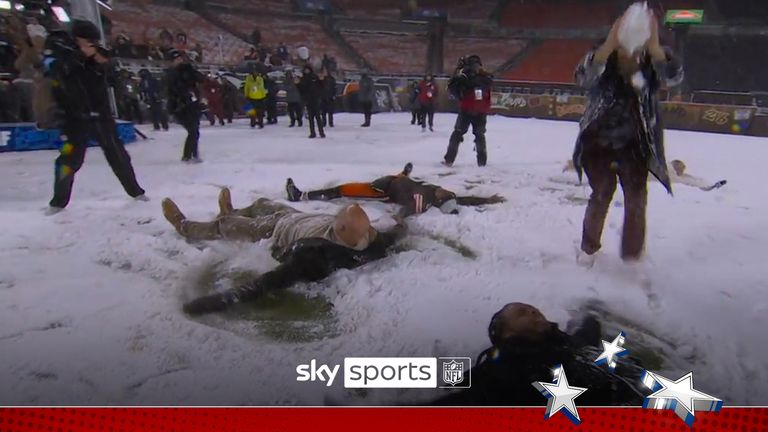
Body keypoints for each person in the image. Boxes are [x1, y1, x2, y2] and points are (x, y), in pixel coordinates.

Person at [160, 189, 407, 315]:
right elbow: (396, 231)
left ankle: (186, 227)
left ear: (342, 227)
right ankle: (233, 210)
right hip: (294, 218)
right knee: (262, 204)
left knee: (225, 227)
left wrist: (221, 300)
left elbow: (267, 283)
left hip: (274, 231)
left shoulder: (314, 255)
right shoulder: (370, 237)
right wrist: (402, 216)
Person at [572, 8, 683, 266]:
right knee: (601, 193)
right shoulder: (602, 58)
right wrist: (611, 44)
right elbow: (582, 77)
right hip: (598, 143)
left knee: (636, 198)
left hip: (635, 145)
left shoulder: (653, 62)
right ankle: (588, 250)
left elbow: (674, 76)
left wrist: (654, 46)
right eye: (624, 49)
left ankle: (632, 258)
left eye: (635, 51)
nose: (629, 55)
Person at [432, 303, 646, 406]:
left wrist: (588, 313)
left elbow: (585, 330)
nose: (533, 311)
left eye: (533, 309)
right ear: (506, 333)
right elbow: (461, 396)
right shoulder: (506, 369)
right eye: (521, 313)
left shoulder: (568, 344)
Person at [44, 20, 147, 213]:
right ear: (76, 38)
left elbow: (113, 76)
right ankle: (58, 202)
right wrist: (79, 56)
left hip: (100, 113)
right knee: (70, 159)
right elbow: (55, 71)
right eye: (88, 40)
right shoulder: (58, 47)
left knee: (118, 155)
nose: (91, 44)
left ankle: (136, 192)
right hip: (73, 116)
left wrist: (103, 63)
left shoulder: (97, 52)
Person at [286, 162, 505, 218]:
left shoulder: (424, 199)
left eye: (445, 195)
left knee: (343, 189)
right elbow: (466, 199)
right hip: (396, 179)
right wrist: (489, 199)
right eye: (448, 193)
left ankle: (300, 196)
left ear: (440, 201)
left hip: (382, 189)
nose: (446, 191)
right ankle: (404, 173)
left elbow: (410, 209)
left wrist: (400, 218)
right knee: (404, 178)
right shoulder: (440, 192)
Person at [443, 55, 493, 167]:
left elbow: (452, 87)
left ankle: (450, 160)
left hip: (470, 110)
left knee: (459, 134)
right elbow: (453, 88)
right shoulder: (480, 77)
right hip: (476, 110)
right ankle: (481, 162)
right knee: (477, 135)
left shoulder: (469, 77)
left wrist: (460, 72)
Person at [166, 49, 204, 162]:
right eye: (176, 59)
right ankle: (188, 155)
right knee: (193, 131)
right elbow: (173, 90)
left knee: (195, 130)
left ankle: (193, 154)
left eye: (180, 58)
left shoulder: (186, 70)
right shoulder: (171, 74)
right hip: (180, 106)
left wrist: (191, 69)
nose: (179, 61)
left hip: (191, 104)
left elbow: (199, 79)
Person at [298, 64, 325, 139]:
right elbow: (301, 90)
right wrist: (298, 85)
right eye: (305, 70)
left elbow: (321, 86)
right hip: (308, 100)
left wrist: (321, 81)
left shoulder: (314, 77)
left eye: (308, 69)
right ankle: (312, 133)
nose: (307, 71)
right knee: (311, 118)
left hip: (315, 99)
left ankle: (321, 132)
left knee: (318, 117)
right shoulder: (303, 79)